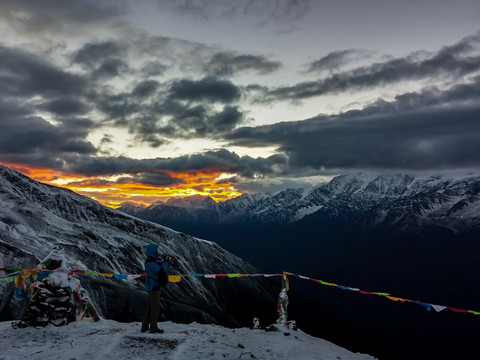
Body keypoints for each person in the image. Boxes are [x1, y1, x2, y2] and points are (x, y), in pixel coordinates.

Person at [141, 243, 168, 334]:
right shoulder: (151, 263)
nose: (157, 252)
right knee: (155, 307)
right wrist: (165, 263)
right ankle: (153, 327)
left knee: (150, 307)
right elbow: (160, 271)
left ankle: (144, 326)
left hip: (151, 286)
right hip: (154, 287)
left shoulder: (150, 262)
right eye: (156, 251)